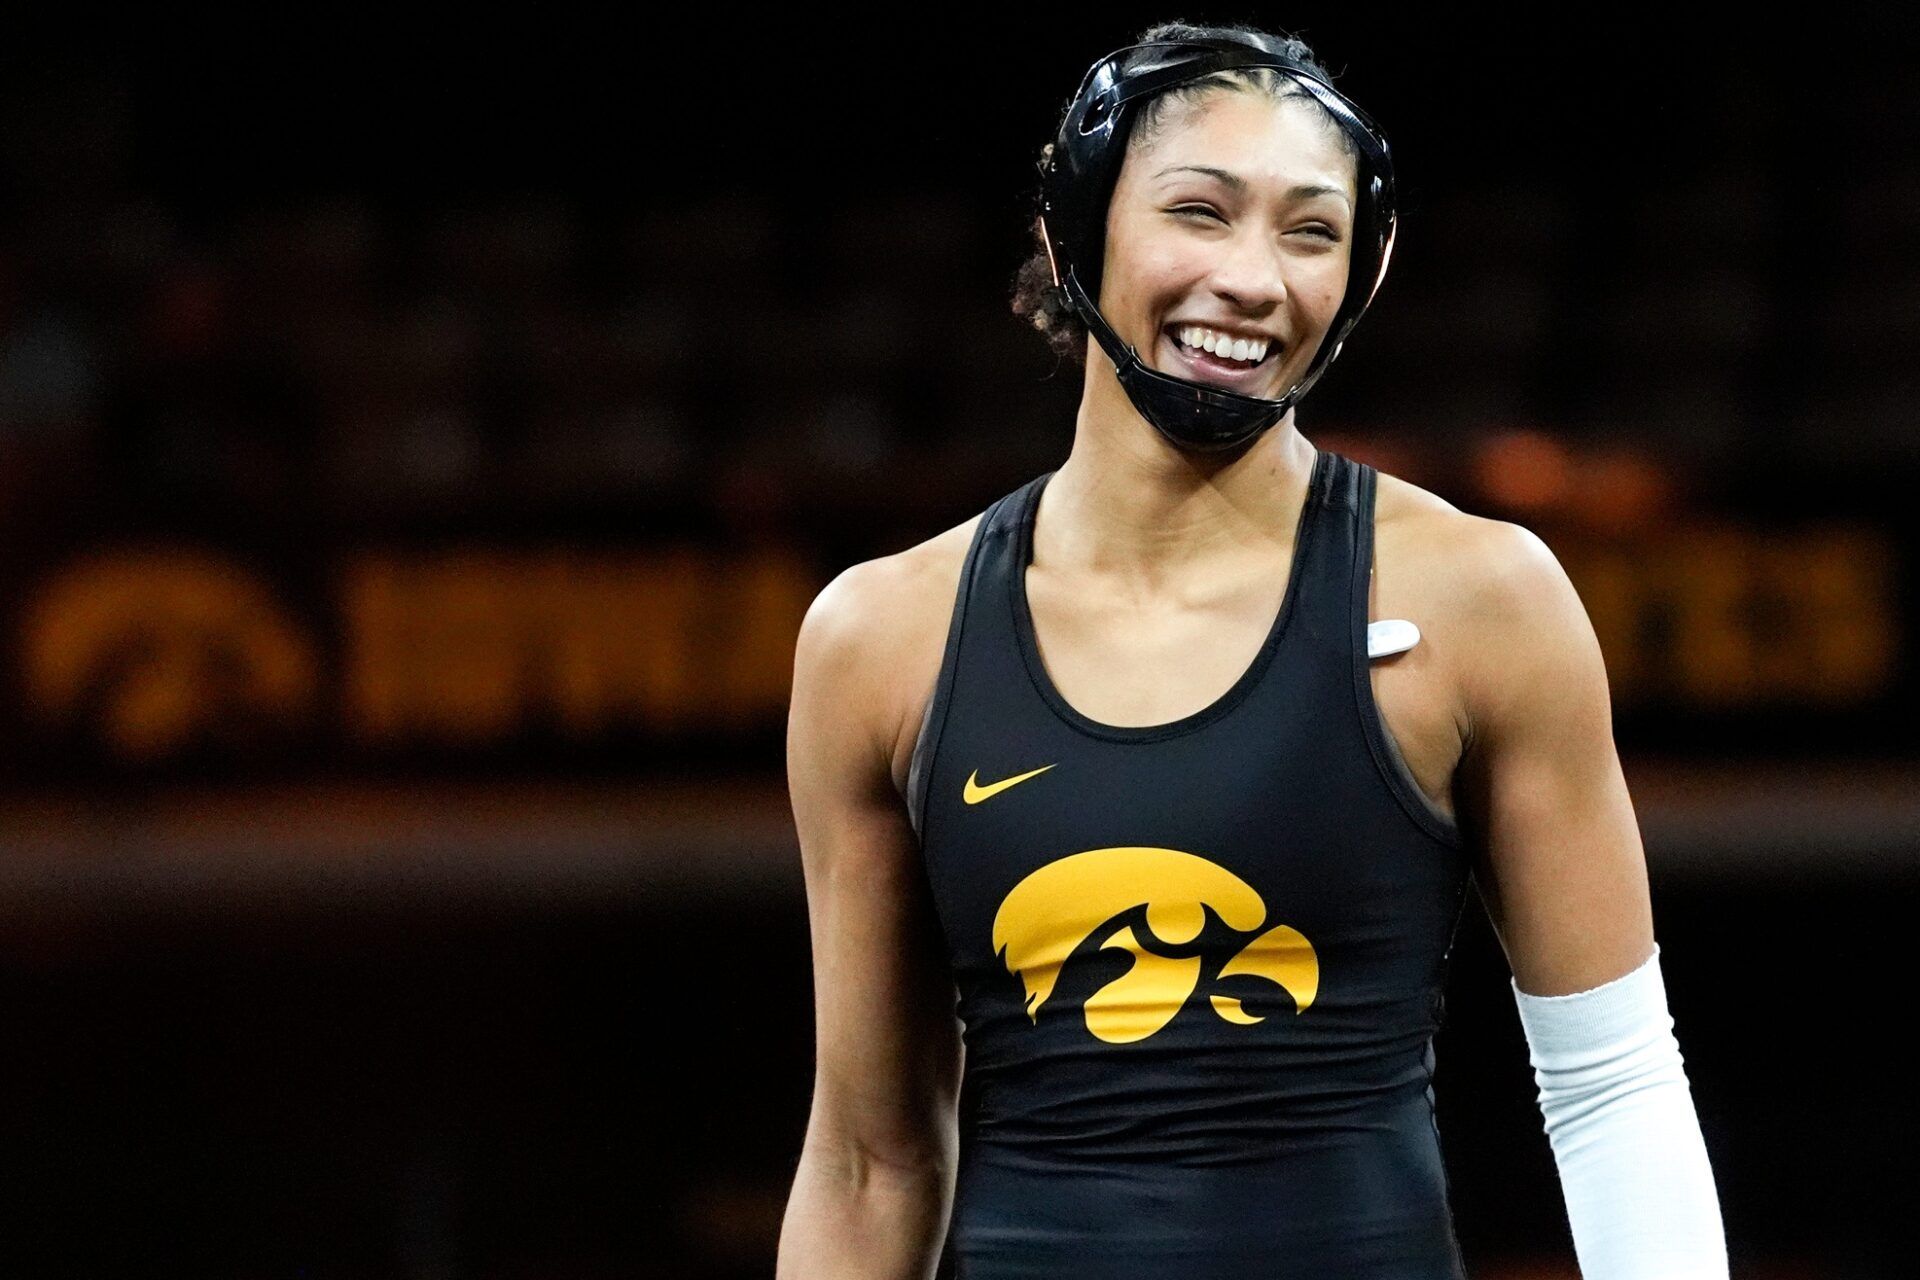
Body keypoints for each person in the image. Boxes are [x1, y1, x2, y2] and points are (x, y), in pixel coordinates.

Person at [778, 21, 1726, 1279]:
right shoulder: (881, 638)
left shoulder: (1482, 599)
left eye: (1311, 230)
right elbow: (868, 1159)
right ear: (1074, 235)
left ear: (1359, 280)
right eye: (1201, 211)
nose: (1254, 279)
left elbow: (1615, 1092)